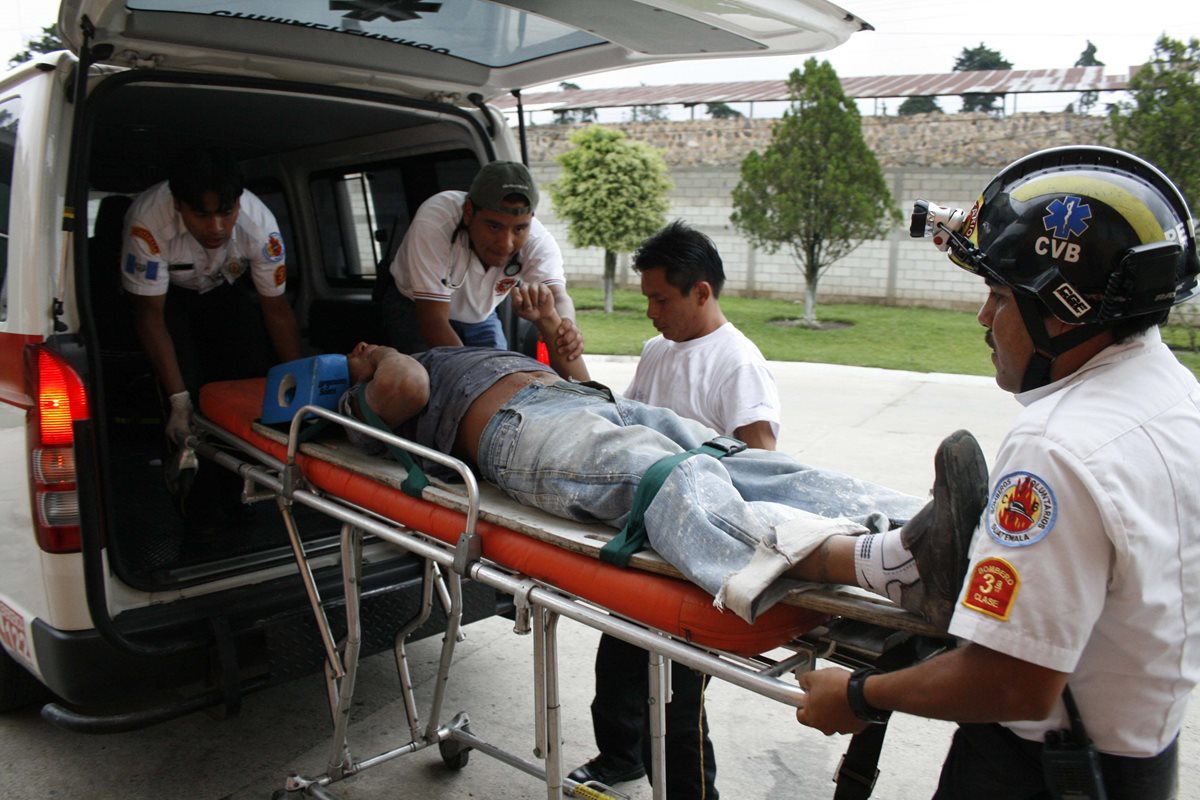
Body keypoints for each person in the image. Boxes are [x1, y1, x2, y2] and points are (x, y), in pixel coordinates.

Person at [796, 145, 1200, 799]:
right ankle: (894, 554)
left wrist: (859, 695)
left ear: (1066, 307)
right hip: (1140, 762)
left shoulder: (1058, 448)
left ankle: (865, 555)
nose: (984, 319)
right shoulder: (1174, 396)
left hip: (1041, 773)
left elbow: (1013, 679)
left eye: (999, 294)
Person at [341, 285, 987, 635]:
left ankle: (942, 528)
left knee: (741, 460)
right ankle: (896, 567)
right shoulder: (377, 389)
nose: (364, 346)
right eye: (356, 348)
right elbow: (406, 391)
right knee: (668, 478)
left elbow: (569, 373)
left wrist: (554, 344)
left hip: (582, 401)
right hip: (514, 436)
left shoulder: (464, 350)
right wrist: (376, 362)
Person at [570, 221, 782, 796]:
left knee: (678, 691)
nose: (651, 312)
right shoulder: (658, 351)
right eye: (647, 299)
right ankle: (619, 759)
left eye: (660, 299)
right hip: (644, 536)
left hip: (694, 554)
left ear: (702, 292)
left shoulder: (737, 363)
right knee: (618, 662)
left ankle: (693, 793)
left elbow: (761, 459)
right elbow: (630, 423)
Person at [121, 147, 302, 445]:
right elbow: (149, 315)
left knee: (252, 370)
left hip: (224, 288)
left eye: (225, 212)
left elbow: (277, 309)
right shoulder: (148, 224)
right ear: (179, 205)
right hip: (168, 299)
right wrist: (178, 401)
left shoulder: (260, 228)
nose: (216, 227)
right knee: (186, 387)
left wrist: (298, 384)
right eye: (202, 215)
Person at [379, 160, 582, 360]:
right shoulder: (436, 220)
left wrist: (567, 325)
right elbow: (433, 320)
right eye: (494, 227)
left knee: (503, 370)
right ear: (468, 213)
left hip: (480, 316)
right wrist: (474, 375)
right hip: (415, 308)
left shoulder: (537, 239)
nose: (506, 244)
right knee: (428, 381)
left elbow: (558, 296)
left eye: (519, 228)